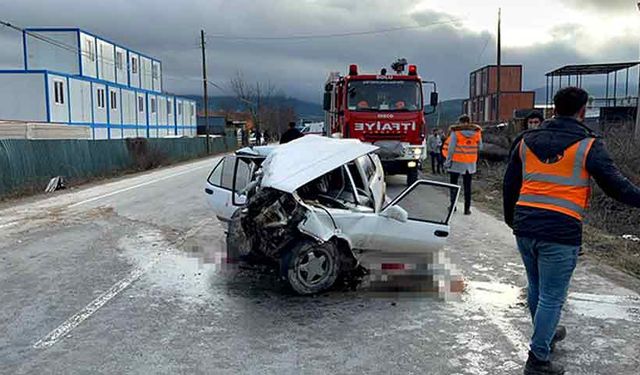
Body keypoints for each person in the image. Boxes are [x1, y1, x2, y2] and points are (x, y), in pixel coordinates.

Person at [503, 87, 640, 375]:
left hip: (525, 225)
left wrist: (511, 219)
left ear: (554, 108)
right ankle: (538, 360)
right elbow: (617, 187)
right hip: (560, 229)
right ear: (582, 110)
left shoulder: (525, 141)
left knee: (537, 288)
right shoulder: (589, 145)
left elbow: (510, 185)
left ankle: (547, 333)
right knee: (552, 296)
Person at [442, 115, 482, 215]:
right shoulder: (477, 133)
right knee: (467, 187)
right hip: (470, 165)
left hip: (456, 163)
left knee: (453, 186)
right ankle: (466, 209)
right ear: (469, 122)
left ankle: (453, 206)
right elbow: (480, 147)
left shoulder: (456, 133)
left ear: (460, 122)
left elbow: (451, 149)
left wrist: (447, 162)